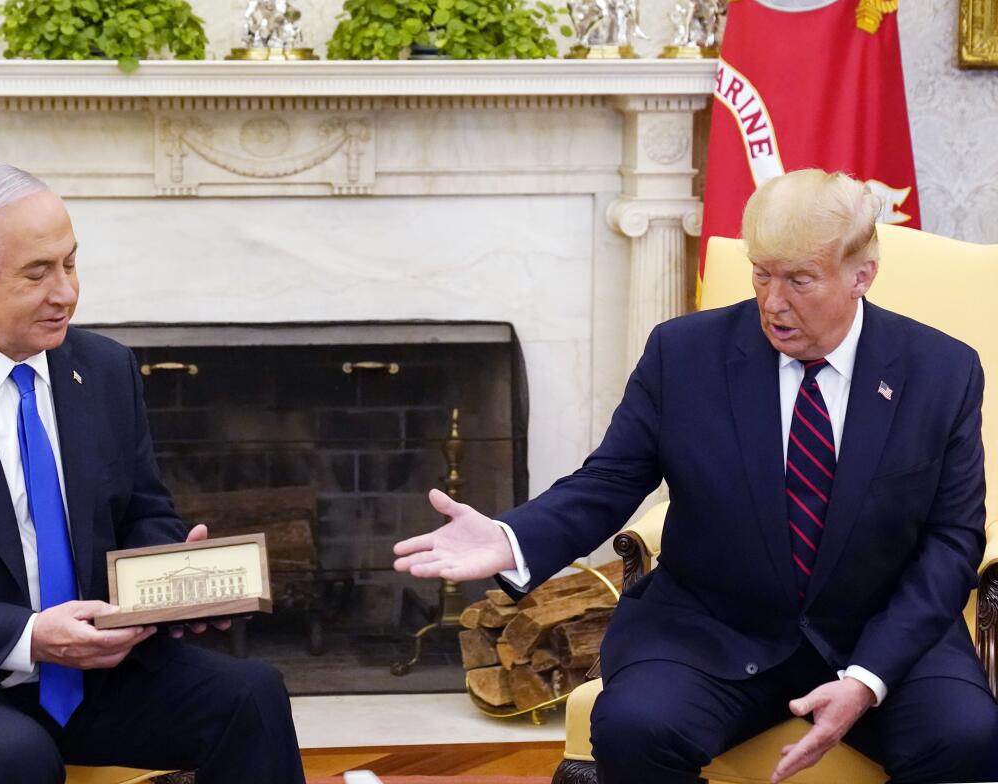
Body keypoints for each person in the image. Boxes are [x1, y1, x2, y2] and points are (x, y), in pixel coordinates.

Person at [394, 169, 998, 783]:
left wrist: (868, 679)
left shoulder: (940, 371)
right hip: (712, 630)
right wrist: (513, 537)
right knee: (635, 726)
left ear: (861, 275)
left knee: (966, 738)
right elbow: (611, 478)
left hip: (878, 630)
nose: (772, 301)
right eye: (762, 273)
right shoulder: (684, 354)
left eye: (799, 280)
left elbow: (952, 540)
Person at [0, 164, 306, 784]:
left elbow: (143, 511)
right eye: (38, 273)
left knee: (253, 695)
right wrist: (31, 636)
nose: (66, 292)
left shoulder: (104, 369)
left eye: (70, 264)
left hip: (91, 671)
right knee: (16, 754)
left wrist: (172, 581)